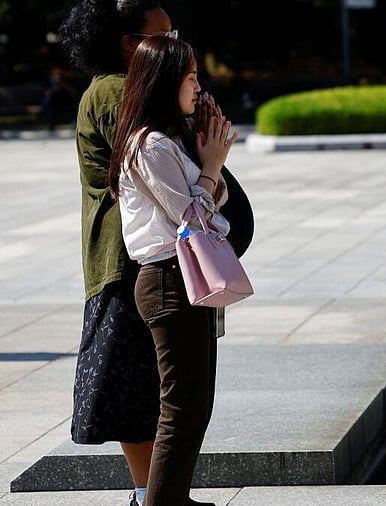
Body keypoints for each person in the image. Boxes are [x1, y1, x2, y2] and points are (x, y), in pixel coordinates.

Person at [59, 2, 221, 504]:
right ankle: (148, 495)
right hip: (131, 266)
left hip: (140, 265)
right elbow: (168, 182)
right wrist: (208, 160)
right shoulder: (116, 92)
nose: (173, 40)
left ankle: (158, 495)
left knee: (157, 393)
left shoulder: (124, 93)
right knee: (145, 394)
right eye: (165, 34)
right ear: (133, 44)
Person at [108, 35, 237, 506]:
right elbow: (193, 218)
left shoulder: (169, 140)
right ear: (164, 82)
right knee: (181, 407)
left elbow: (215, 205)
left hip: (184, 276)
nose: (198, 88)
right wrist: (211, 167)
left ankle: (174, 500)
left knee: (195, 405)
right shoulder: (149, 145)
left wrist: (208, 165)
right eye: (190, 78)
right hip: (166, 278)